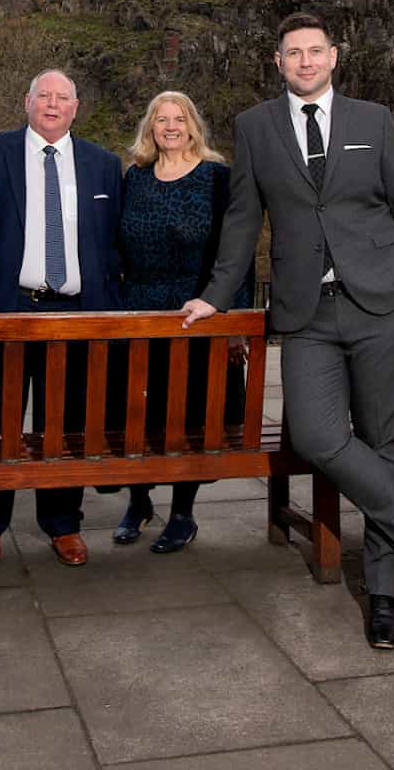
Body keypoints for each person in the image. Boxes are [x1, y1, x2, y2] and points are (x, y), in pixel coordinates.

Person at [182, 12, 394, 651]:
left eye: (315, 51)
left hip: (380, 304)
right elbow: (242, 220)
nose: (305, 61)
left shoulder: (374, 120)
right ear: (278, 62)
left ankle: (385, 595)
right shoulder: (256, 127)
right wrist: (215, 296)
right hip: (305, 311)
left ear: (334, 57)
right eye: (293, 53)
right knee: (314, 435)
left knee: (384, 442)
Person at [0, 69, 123, 567]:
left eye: (63, 98)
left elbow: (113, 244)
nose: (53, 105)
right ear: (27, 101)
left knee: (66, 424)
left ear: (76, 108)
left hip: (76, 314)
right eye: (44, 96)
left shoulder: (103, 165)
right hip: (10, 308)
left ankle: (63, 524)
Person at [112, 91, 254, 553]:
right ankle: (138, 502)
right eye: (161, 119)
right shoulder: (134, 178)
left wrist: (232, 320)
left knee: (190, 416)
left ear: (193, 126)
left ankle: (181, 512)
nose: (170, 126)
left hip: (197, 315)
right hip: (139, 313)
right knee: (137, 415)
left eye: (179, 118)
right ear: (150, 128)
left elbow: (238, 255)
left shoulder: (217, 178)